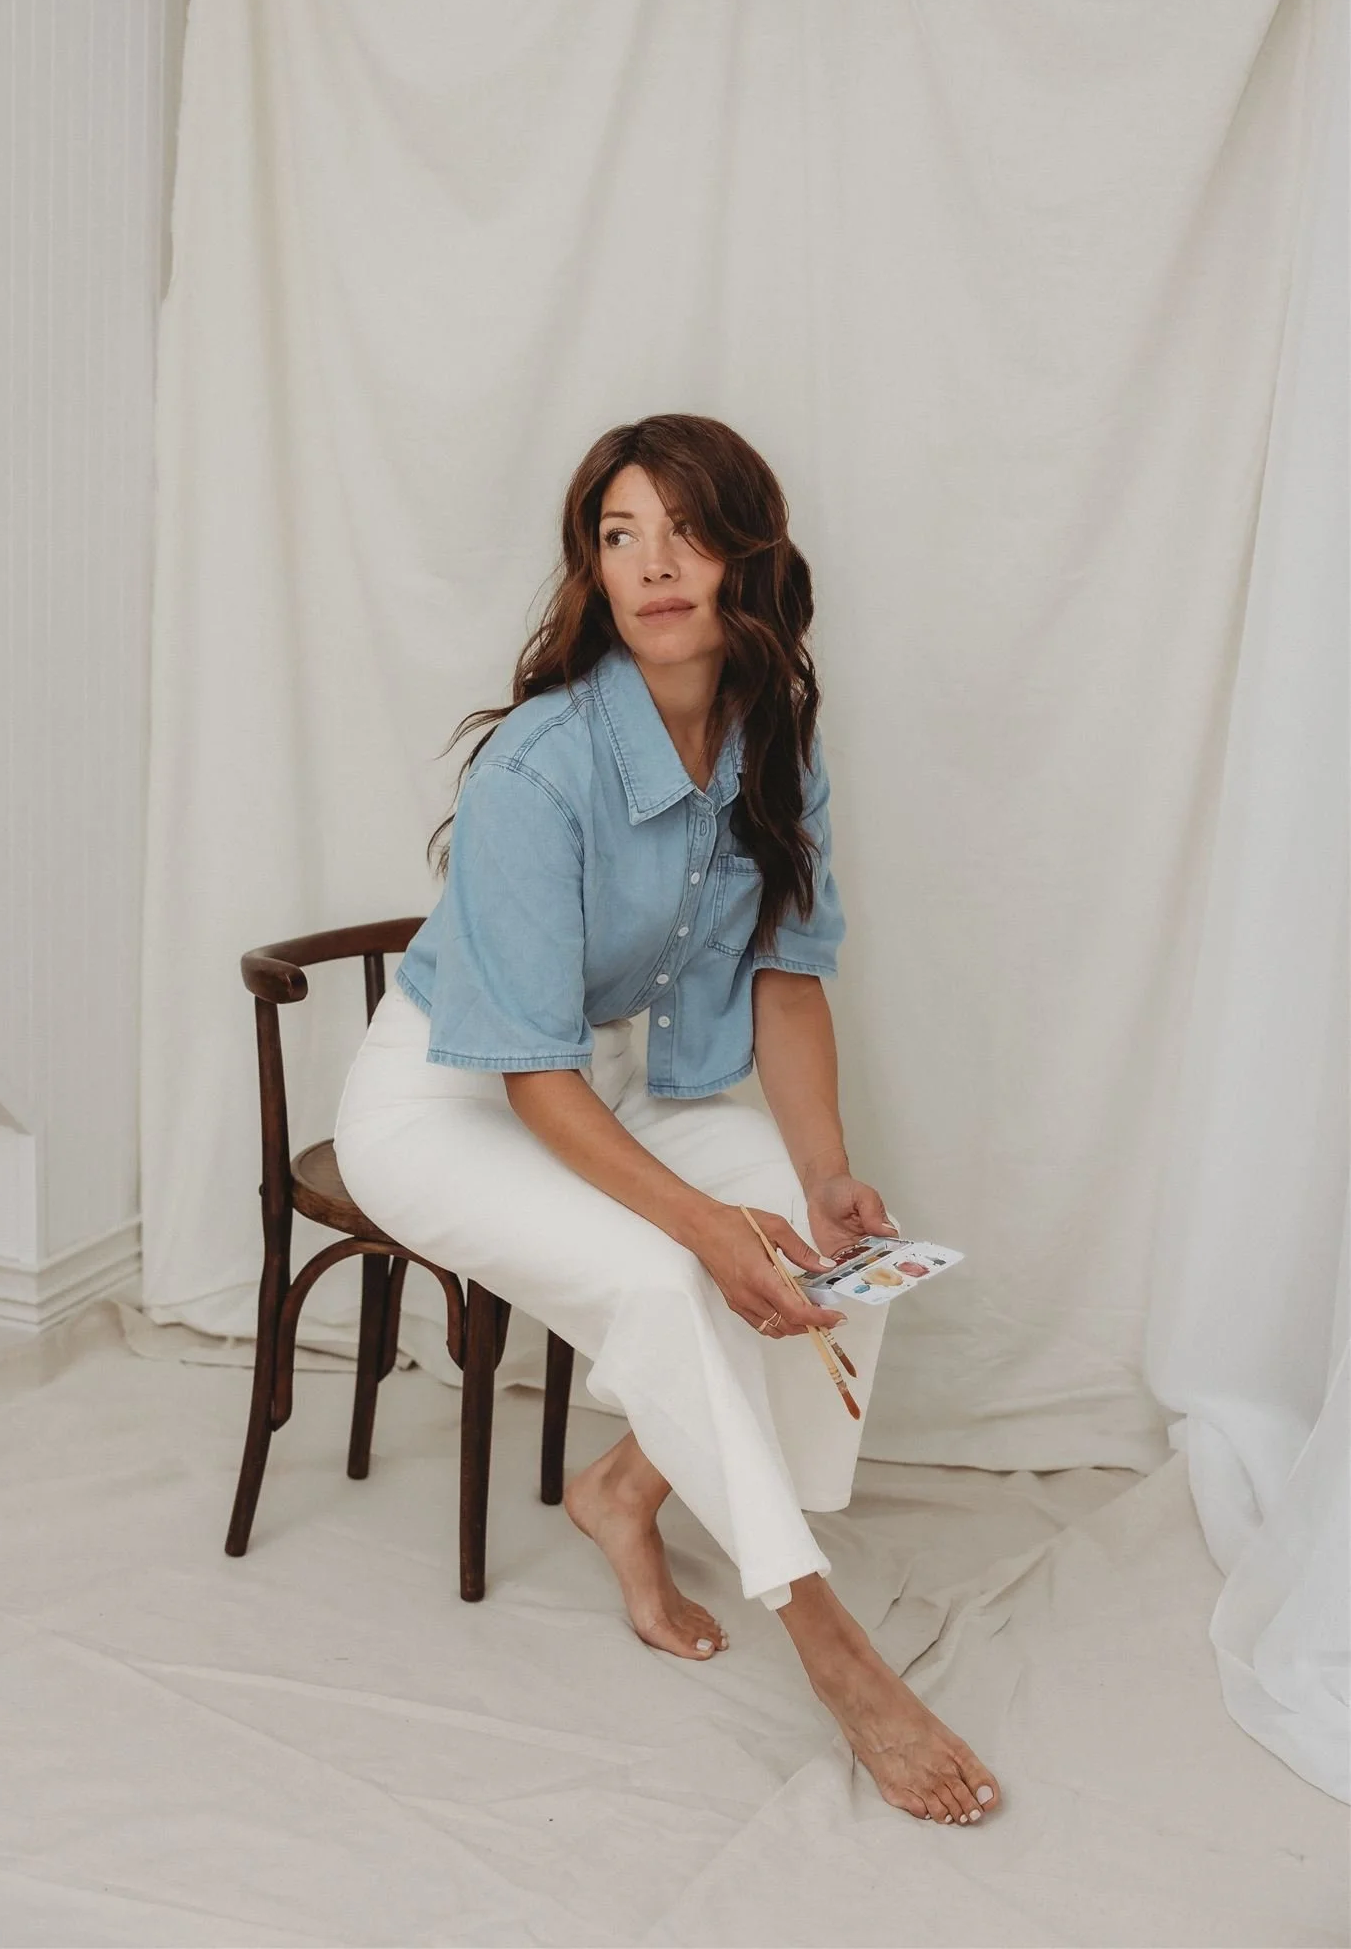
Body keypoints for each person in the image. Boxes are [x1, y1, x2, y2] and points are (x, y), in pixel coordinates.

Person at [334, 413, 1001, 1826]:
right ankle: (834, 1652)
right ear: (592, 565)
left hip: (616, 1082)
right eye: (618, 535)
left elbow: (789, 976)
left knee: (828, 1263)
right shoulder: (537, 764)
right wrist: (700, 1224)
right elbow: (524, 1072)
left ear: (744, 553)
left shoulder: (774, 738)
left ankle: (627, 1487)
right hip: (450, 1099)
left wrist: (822, 1178)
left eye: (684, 532)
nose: (650, 564)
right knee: (666, 1273)